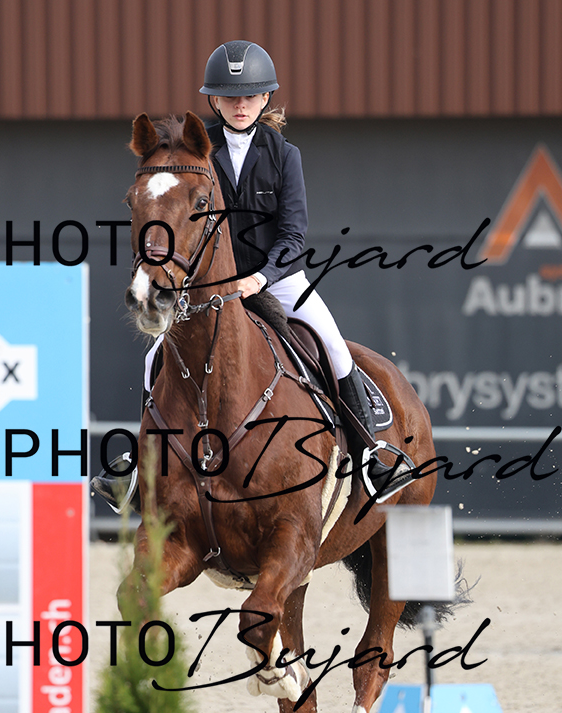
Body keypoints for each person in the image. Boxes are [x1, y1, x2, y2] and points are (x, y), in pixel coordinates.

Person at [92, 40, 411, 513]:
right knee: (155, 355)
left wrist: (261, 277)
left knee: (334, 348)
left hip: (278, 279)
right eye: (230, 97)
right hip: (210, 284)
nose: (240, 105)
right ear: (215, 102)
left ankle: (372, 458)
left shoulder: (284, 155)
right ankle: (141, 470)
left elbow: (294, 234)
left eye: (249, 96)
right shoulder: (198, 154)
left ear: (265, 99)